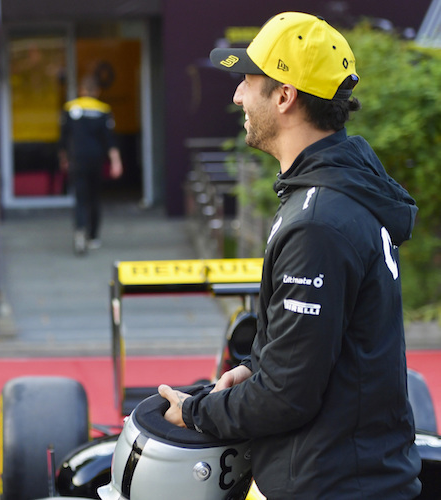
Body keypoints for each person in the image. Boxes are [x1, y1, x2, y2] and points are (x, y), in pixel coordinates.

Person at [159, 12, 420, 498]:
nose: (237, 94)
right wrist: (258, 367)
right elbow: (325, 353)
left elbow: (287, 398)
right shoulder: (337, 195)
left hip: (332, 484)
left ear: (284, 95)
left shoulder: (318, 220)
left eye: (247, 81)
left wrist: (194, 411)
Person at [58, 74, 123, 255]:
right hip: (95, 159)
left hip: (77, 159)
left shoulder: (70, 108)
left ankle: (80, 229)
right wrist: (116, 162)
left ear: (81, 90)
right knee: (94, 197)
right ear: (97, 91)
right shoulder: (103, 110)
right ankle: (93, 236)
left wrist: (64, 159)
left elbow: (63, 139)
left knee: (80, 198)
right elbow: (110, 140)